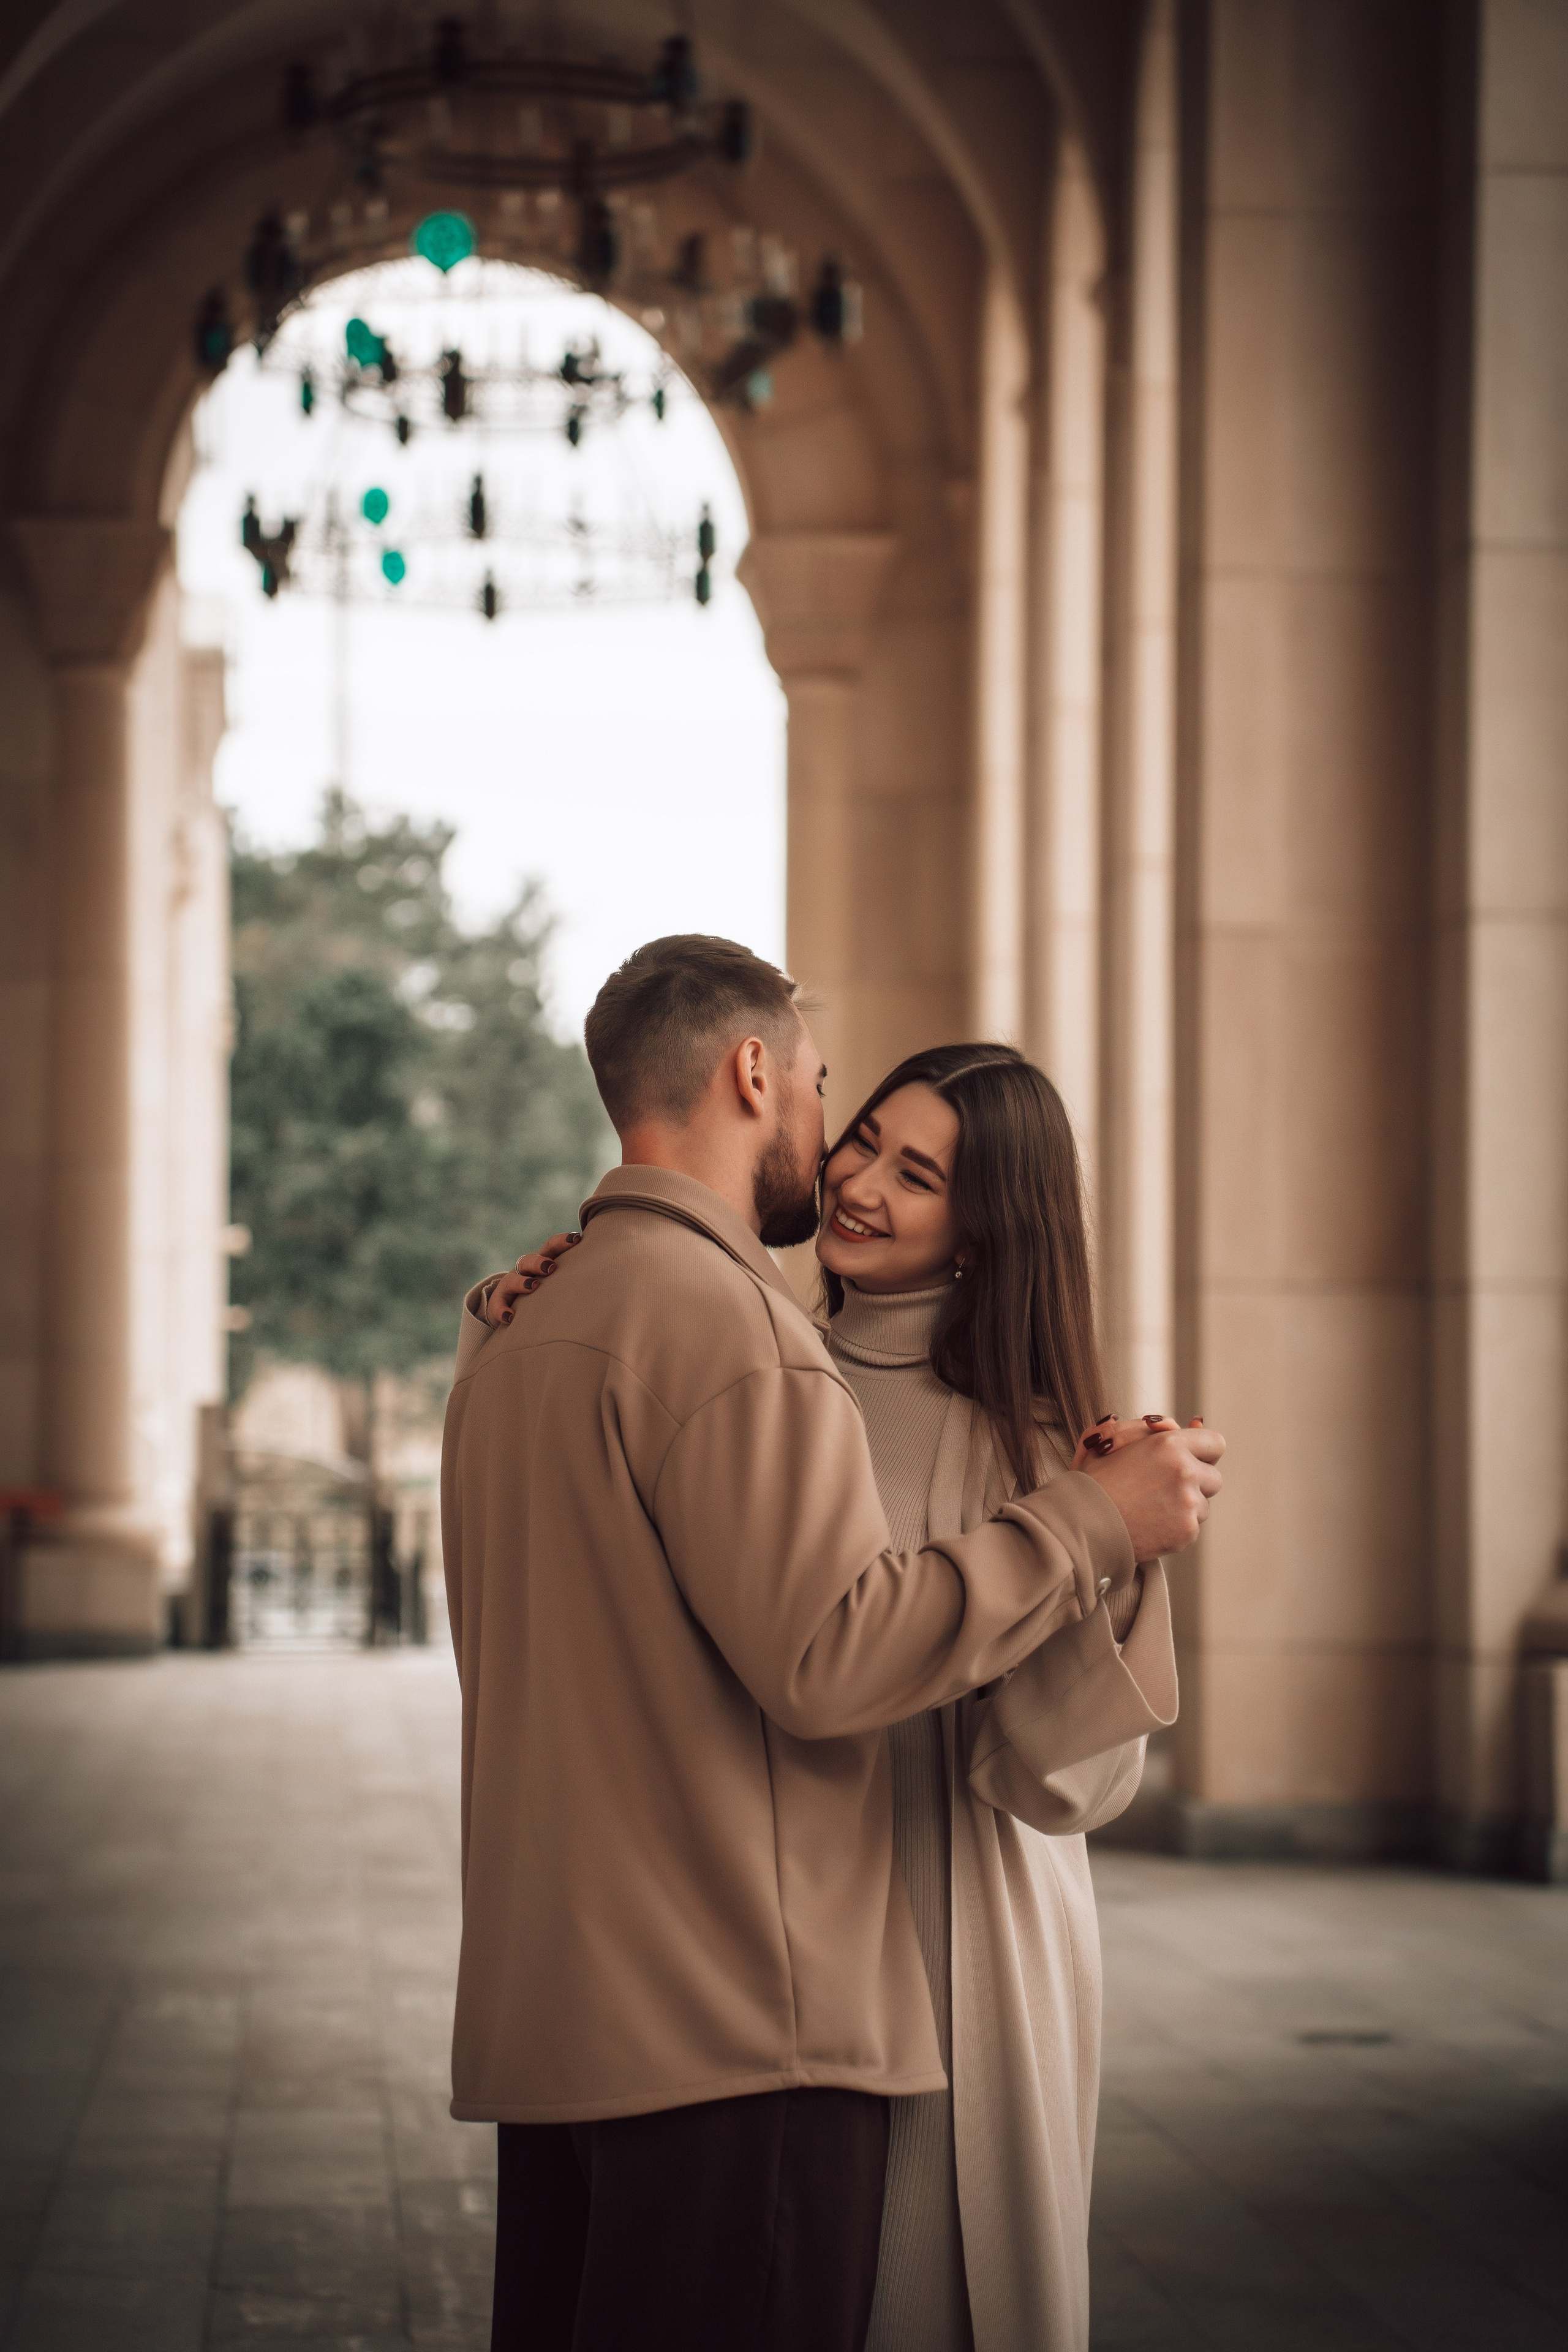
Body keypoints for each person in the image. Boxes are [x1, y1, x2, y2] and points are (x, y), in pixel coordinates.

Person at [443, 936, 1223, 2352]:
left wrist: (1105, 1545)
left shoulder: (1028, 1434)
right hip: (766, 1936)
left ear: (990, 1225)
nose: (856, 1178)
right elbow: (815, 1652)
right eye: (852, 1128)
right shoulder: (737, 1337)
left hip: (949, 1912)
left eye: (915, 1175)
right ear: (766, 1081)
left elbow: (1062, 1784)